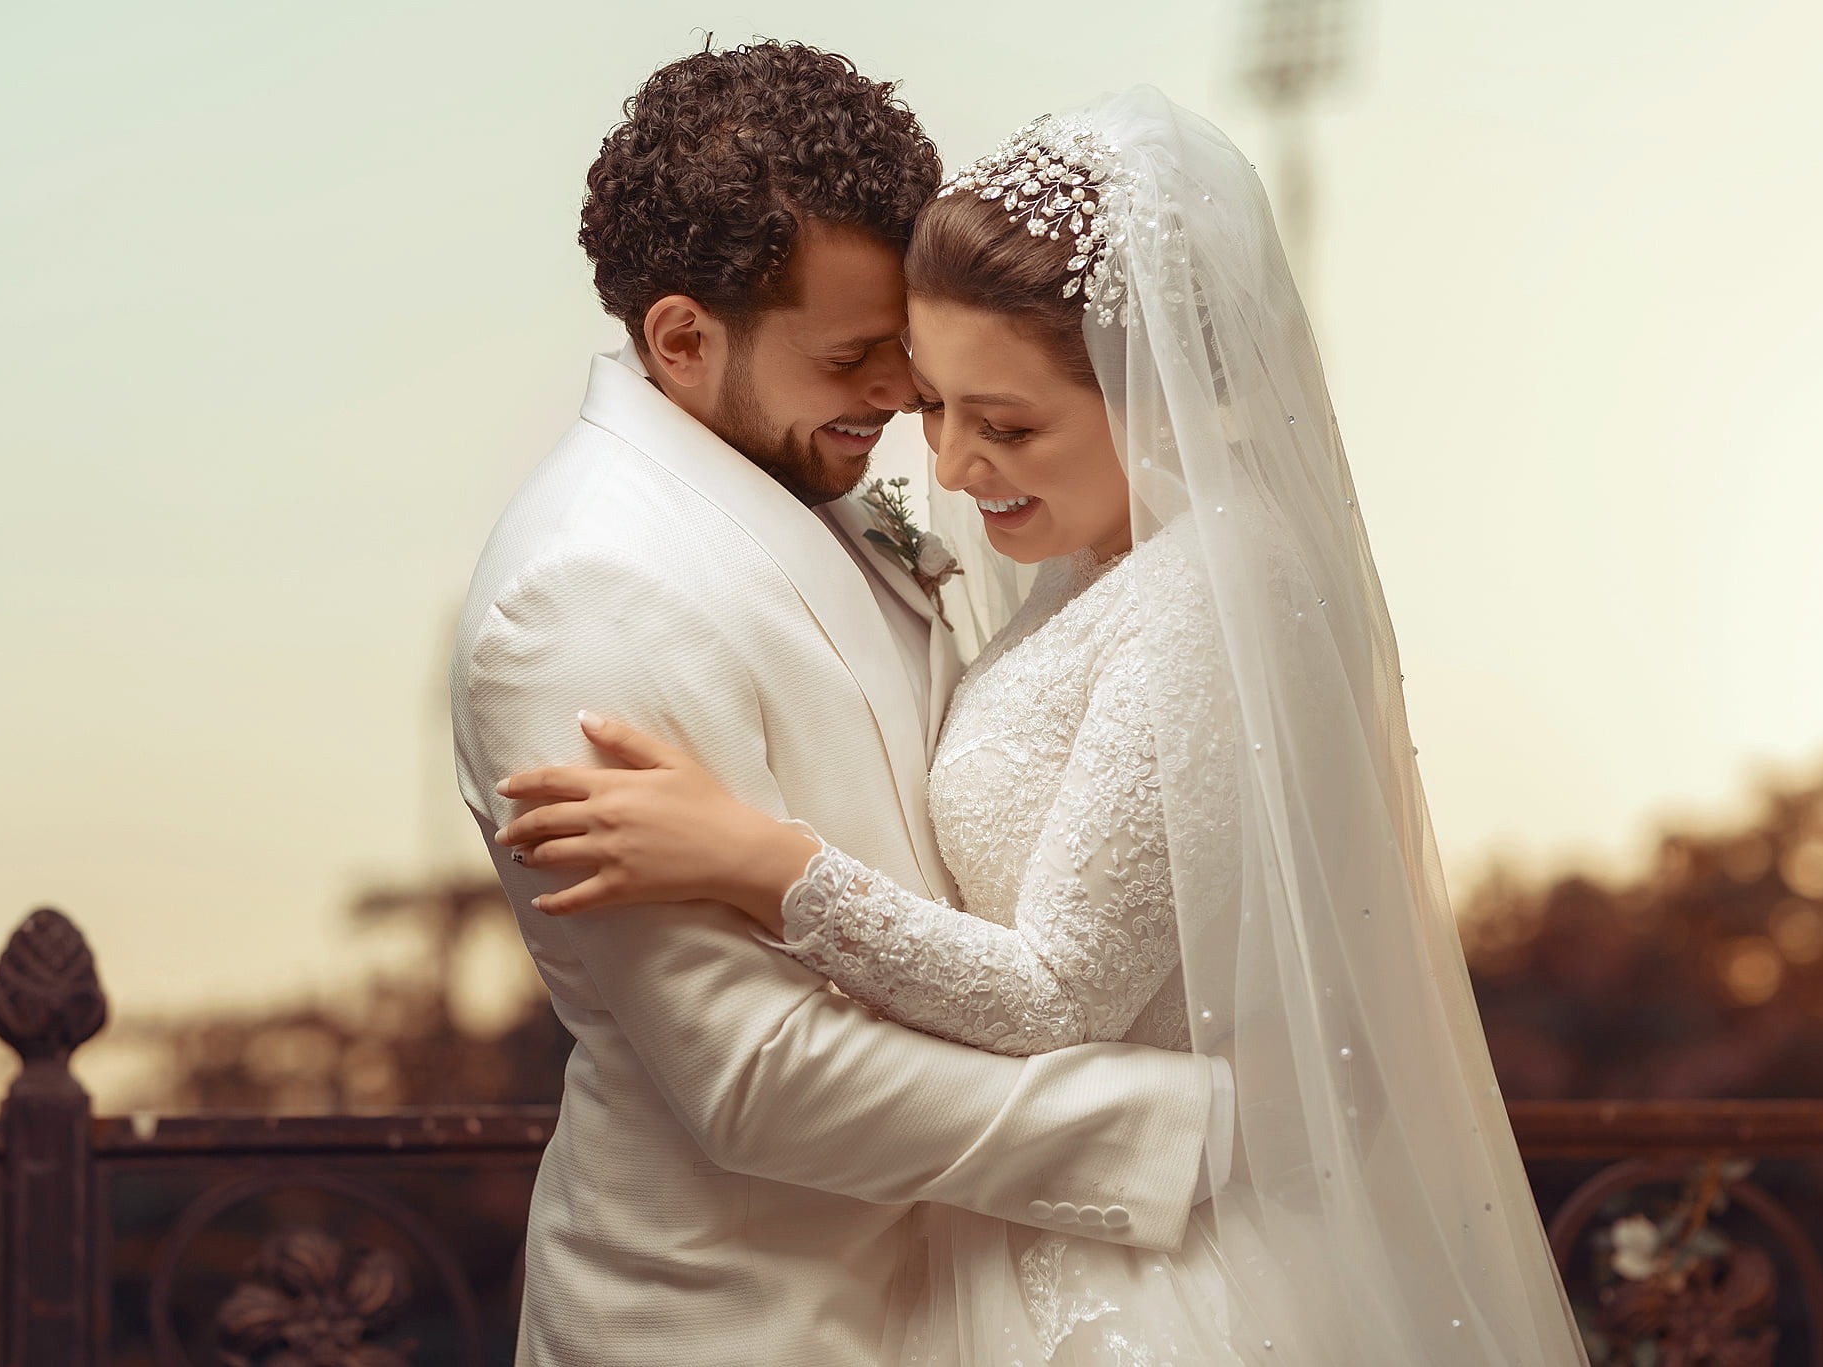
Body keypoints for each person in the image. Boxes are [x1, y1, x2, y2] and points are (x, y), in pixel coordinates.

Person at [498, 89, 1591, 1364]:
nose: (950, 469)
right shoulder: (1081, 566)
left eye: (1004, 424)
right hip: (981, 1243)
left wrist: (763, 861)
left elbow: (1060, 984)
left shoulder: (1211, 586)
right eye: (932, 407)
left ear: (1165, 395)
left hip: (1136, 1273)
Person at [451, 48, 1236, 1367]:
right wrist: (1179, 1125)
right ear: (683, 337)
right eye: (855, 355)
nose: (902, 398)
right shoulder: (580, 594)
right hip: (740, 1322)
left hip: (961, 1295)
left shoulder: (829, 484)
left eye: (907, 351)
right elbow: (756, 1072)